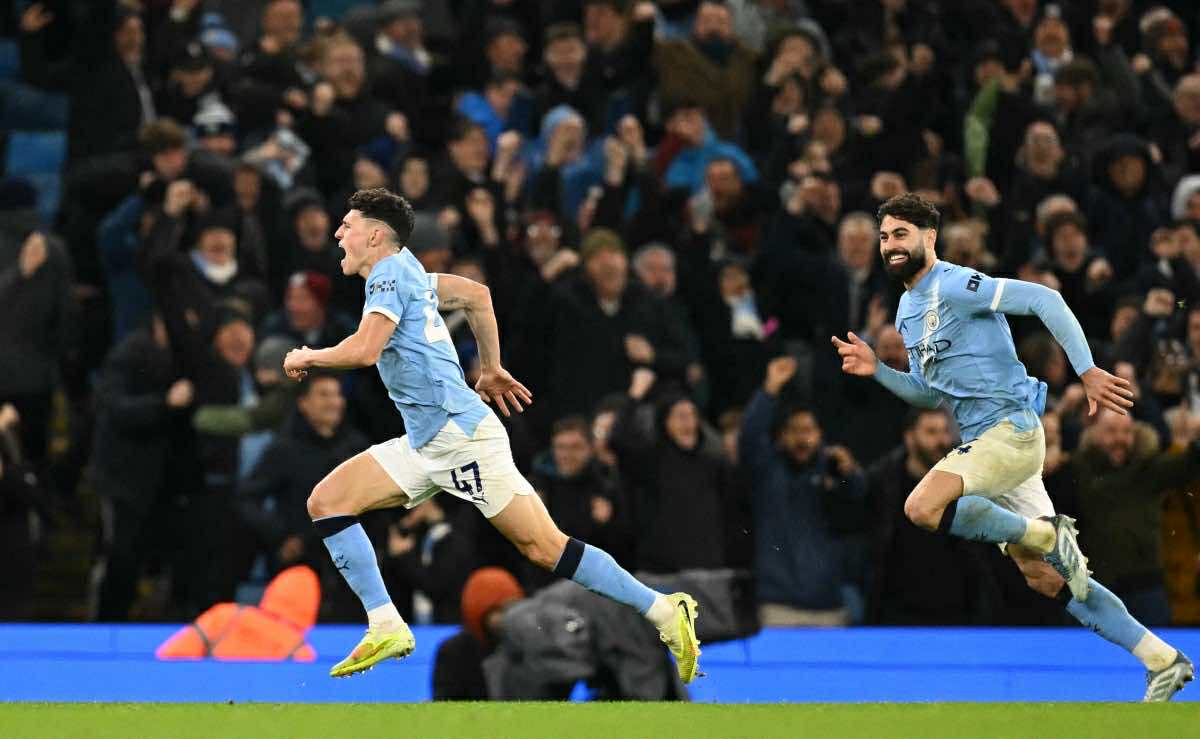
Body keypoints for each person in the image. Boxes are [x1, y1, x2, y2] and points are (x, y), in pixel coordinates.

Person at [282, 188, 699, 682]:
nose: (338, 233)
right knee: (327, 502)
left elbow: (366, 350)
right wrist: (492, 367)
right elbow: (477, 296)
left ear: (375, 234)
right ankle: (386, 624)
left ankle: (664, 611)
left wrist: (309, 355)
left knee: (546, 548)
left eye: (347, 225)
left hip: (461, 440)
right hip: (425, 441)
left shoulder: (389, 273)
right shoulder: (408, 271)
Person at [831, 192, 1193, 702]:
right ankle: (1162, 659)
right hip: (989, 447)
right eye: (885, 236)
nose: (890, 245)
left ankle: (1044, 534)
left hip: (1010, 432)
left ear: (929, 237)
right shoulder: (908, 309)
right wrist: (878, 371)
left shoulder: (957, 283)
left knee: (922, 506)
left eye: (901, 234)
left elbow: (1046, 300)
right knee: (1050, 579)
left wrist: (1086, 370)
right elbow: (929, 392)